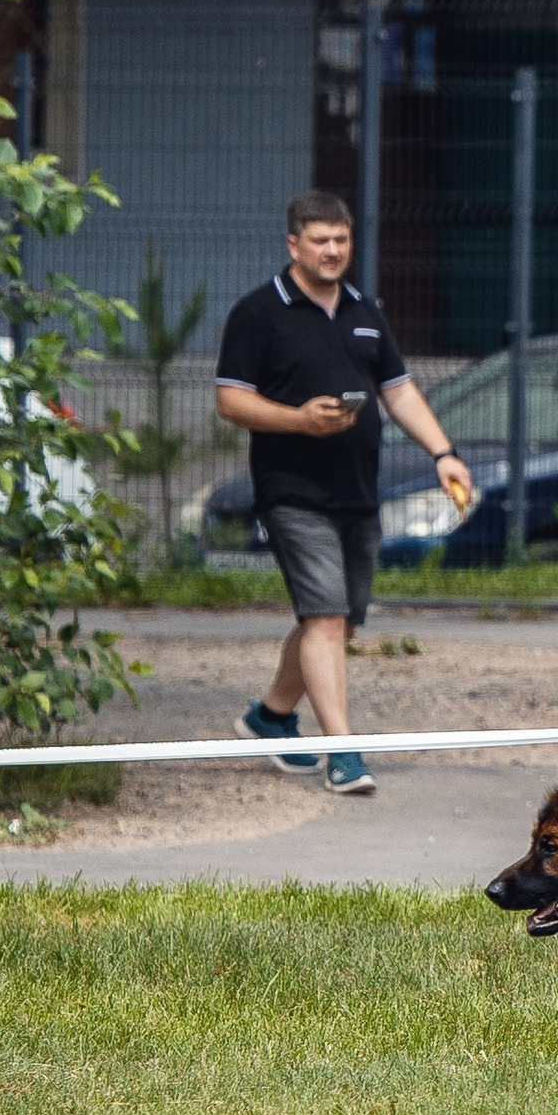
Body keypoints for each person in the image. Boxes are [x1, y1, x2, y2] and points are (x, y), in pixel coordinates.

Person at [216, 192, 471, 795]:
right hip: (290, 492)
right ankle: (344, 752)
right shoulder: (258, 313)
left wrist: (443, 453)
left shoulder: (365, 310)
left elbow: (400, 391)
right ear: (293, 245)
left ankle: (271, 716)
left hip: (357, 492)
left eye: (342, 239)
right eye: (321, 240)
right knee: (325, 617)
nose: (333, 251)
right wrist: (299, 419)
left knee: (337, 621)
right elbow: (231, 400)